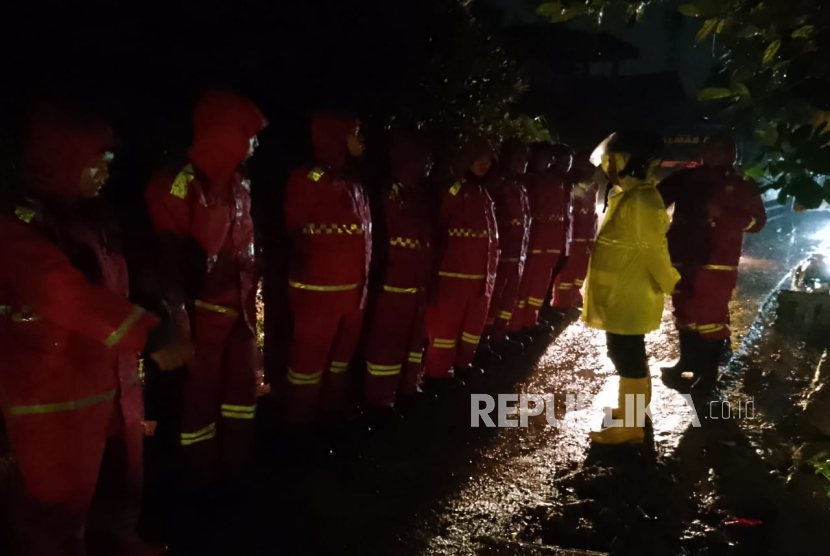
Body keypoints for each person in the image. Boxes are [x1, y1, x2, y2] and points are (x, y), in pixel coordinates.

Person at [0, 105, 189, 556]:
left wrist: (155, 307)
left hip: (105, 380)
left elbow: (116, 281)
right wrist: (148, 333)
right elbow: (62, 292)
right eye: (93, 164)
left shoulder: (89, 216)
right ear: (61, 161)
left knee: (117, 477)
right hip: (53, 391)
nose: (104, 174)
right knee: (59, 504)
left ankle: (118, 542)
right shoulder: (19, 224)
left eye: (107, 164)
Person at [144, 91, 268, 485]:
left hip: (239, 315)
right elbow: (164, 264)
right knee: (197, 401)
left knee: (240, 395)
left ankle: (237, 472)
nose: (255, 143)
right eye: (249, 135)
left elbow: (245, 247)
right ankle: (199, 482)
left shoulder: (239, 184)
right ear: (226, 136)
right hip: (200, 318)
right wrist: (178, 325)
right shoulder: (179, 185)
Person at [582, 131, 680, 445]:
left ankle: (631, 425)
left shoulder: (640, 199)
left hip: (629, 292)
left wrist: (673, 283)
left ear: (630, 162)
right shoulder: (631, 194)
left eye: (613, 161)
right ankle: (635, 412)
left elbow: (652, 250)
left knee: (626, 354)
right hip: (623, 292)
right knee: (628, 352)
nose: (608, 168)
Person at [659, 133, 767, 391]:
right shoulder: (686, 178)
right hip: (683, 257)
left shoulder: (743, 183)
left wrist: (724, 215)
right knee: (684, 312)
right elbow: (655, 199)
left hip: (717, 262)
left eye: (720, 150)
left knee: (711, 317)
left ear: (733, 154)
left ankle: (708, 378)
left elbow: (757, 223)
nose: (713, 155)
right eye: (709, 149)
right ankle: (687, 364)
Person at [282, 112, 370, 424]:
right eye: (354, 132)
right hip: (318, 292)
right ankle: (299, 425)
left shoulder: (352, 181)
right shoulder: (309, 178)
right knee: (308, 363)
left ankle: (331, 418)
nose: (360, 139)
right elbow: (293, 228)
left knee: (339, 361)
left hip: (352, 291)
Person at [362, 130, 433, 412]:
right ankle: (379, 401)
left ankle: (407, 388)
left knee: (413, 342)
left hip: (415, 284)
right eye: (422, 159)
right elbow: (381, 240)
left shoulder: (419, 193)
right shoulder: (388, 193)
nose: (427, 165)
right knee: (387, 345)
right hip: (393, 284)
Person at [424, 136, 497, 388]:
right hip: (453, 276)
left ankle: (462, 365)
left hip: (481, 278)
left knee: (471, 327)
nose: (484, 163)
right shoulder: (453, 190)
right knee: (445, 329)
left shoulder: (483, 192)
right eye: (479, 158)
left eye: (488, 159)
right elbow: (438, 229)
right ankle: (437, 374)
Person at [510, 143, 568, 335]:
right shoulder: (526, 182)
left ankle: (530, 320)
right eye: (544, 157)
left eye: (549, 159)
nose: (547, 162)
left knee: (538, 287)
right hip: (532, 244)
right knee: (523, 288)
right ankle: (515, 325)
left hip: (548, 245)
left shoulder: (553, 181)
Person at [483, 139, 530, 353]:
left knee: (508, 298)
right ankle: (484, 341)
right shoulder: (495, 185)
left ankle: (499, 336)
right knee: (494, 299)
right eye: (519, 156)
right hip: (501, 255)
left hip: (517, 255)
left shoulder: (518, 187)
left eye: (525, 157)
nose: (524, 161)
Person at [553, 153, 599, 311]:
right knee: (568, 271)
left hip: (587, 234)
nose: (592, 168)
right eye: (587, 164)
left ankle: (574, 296)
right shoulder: (571, 183)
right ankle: (562, 302)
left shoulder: (592, 184)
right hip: (574, 234)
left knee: (581, 269)